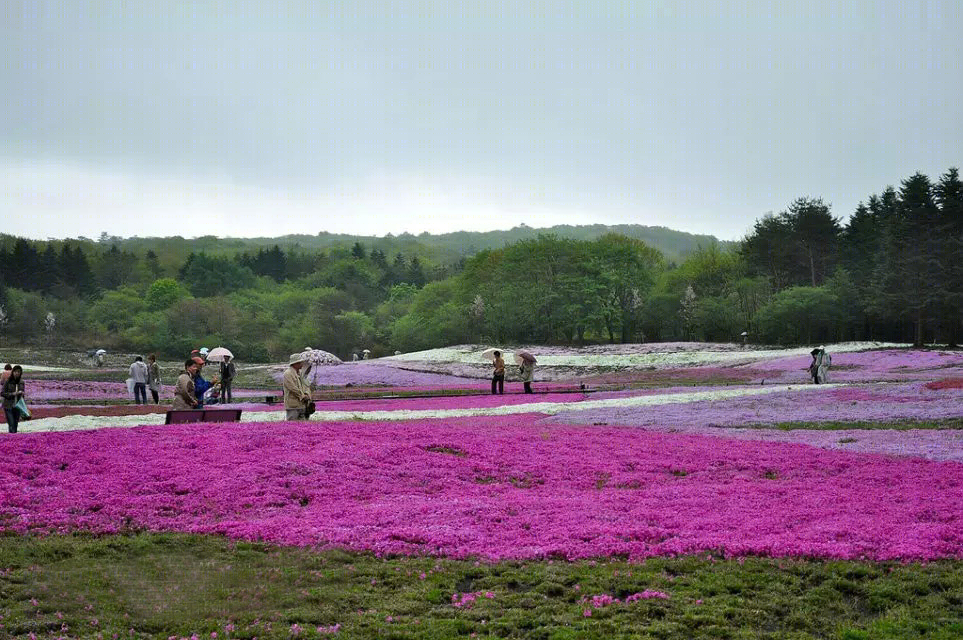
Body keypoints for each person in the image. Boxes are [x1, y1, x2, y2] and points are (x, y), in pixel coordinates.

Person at [282, 353, 314, 420]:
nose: (302, 364)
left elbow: (306, 385)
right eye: (300, 363)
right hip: (293, 406)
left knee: (303, 426)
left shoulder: (300, 373)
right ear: (295, 363)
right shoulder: (288, 374)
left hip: (303, 405)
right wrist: (302, 396)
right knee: (292, 425)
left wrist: (307, 394)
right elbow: (292, 388)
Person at [2, 365, 25, 433]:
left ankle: (13, 440)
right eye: (15, 371)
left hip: (17, 406)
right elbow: (2, 393)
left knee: (15, 425)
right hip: (8, 406)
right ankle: (11, 439)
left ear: (20, 373)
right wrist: (13, 394)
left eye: (19, 372)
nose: (17, 373)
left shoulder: (21, 382)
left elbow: (22, 394)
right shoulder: (8, 381)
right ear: (13, 372)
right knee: (11, 424)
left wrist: (21, 394)